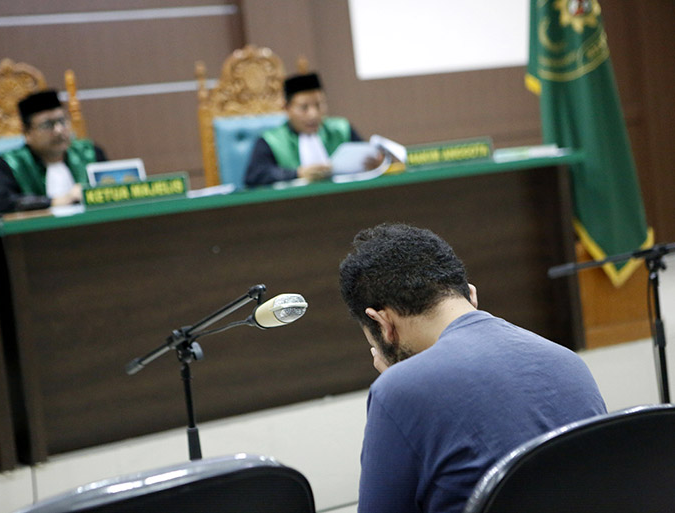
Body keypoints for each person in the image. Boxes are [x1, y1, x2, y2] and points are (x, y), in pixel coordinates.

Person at [338, 223, 607, 513]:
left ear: (382, 323)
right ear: (471, 295)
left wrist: (398, 387)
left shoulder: (398, 391)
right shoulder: (567, 360)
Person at [244, 72, 380, 187]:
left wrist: (376, 163)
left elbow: (364, 156)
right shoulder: (271, 140)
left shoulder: (341, 129)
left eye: (319, 105)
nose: (313, 114)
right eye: (304, 108)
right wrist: (298, 173)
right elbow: (255, 176)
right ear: (286, 108)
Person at [0, 90, 106, 213]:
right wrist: (52, 202)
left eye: (62, 122)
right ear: (27, 133)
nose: (58, 130)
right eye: (47, 125)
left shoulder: (90, 153)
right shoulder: (10, 164)